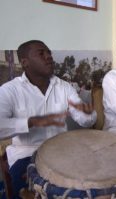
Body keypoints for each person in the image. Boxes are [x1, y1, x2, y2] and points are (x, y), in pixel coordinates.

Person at [0, 40, 97, 198]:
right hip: (26, 155)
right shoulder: (10, 90)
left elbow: (86, 121)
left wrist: (88, 113)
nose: (48, 57)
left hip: (61, 153)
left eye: (49, 53)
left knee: (85, 187)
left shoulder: (65, 87)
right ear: (25, 63)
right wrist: (31, 122)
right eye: (41, 53)